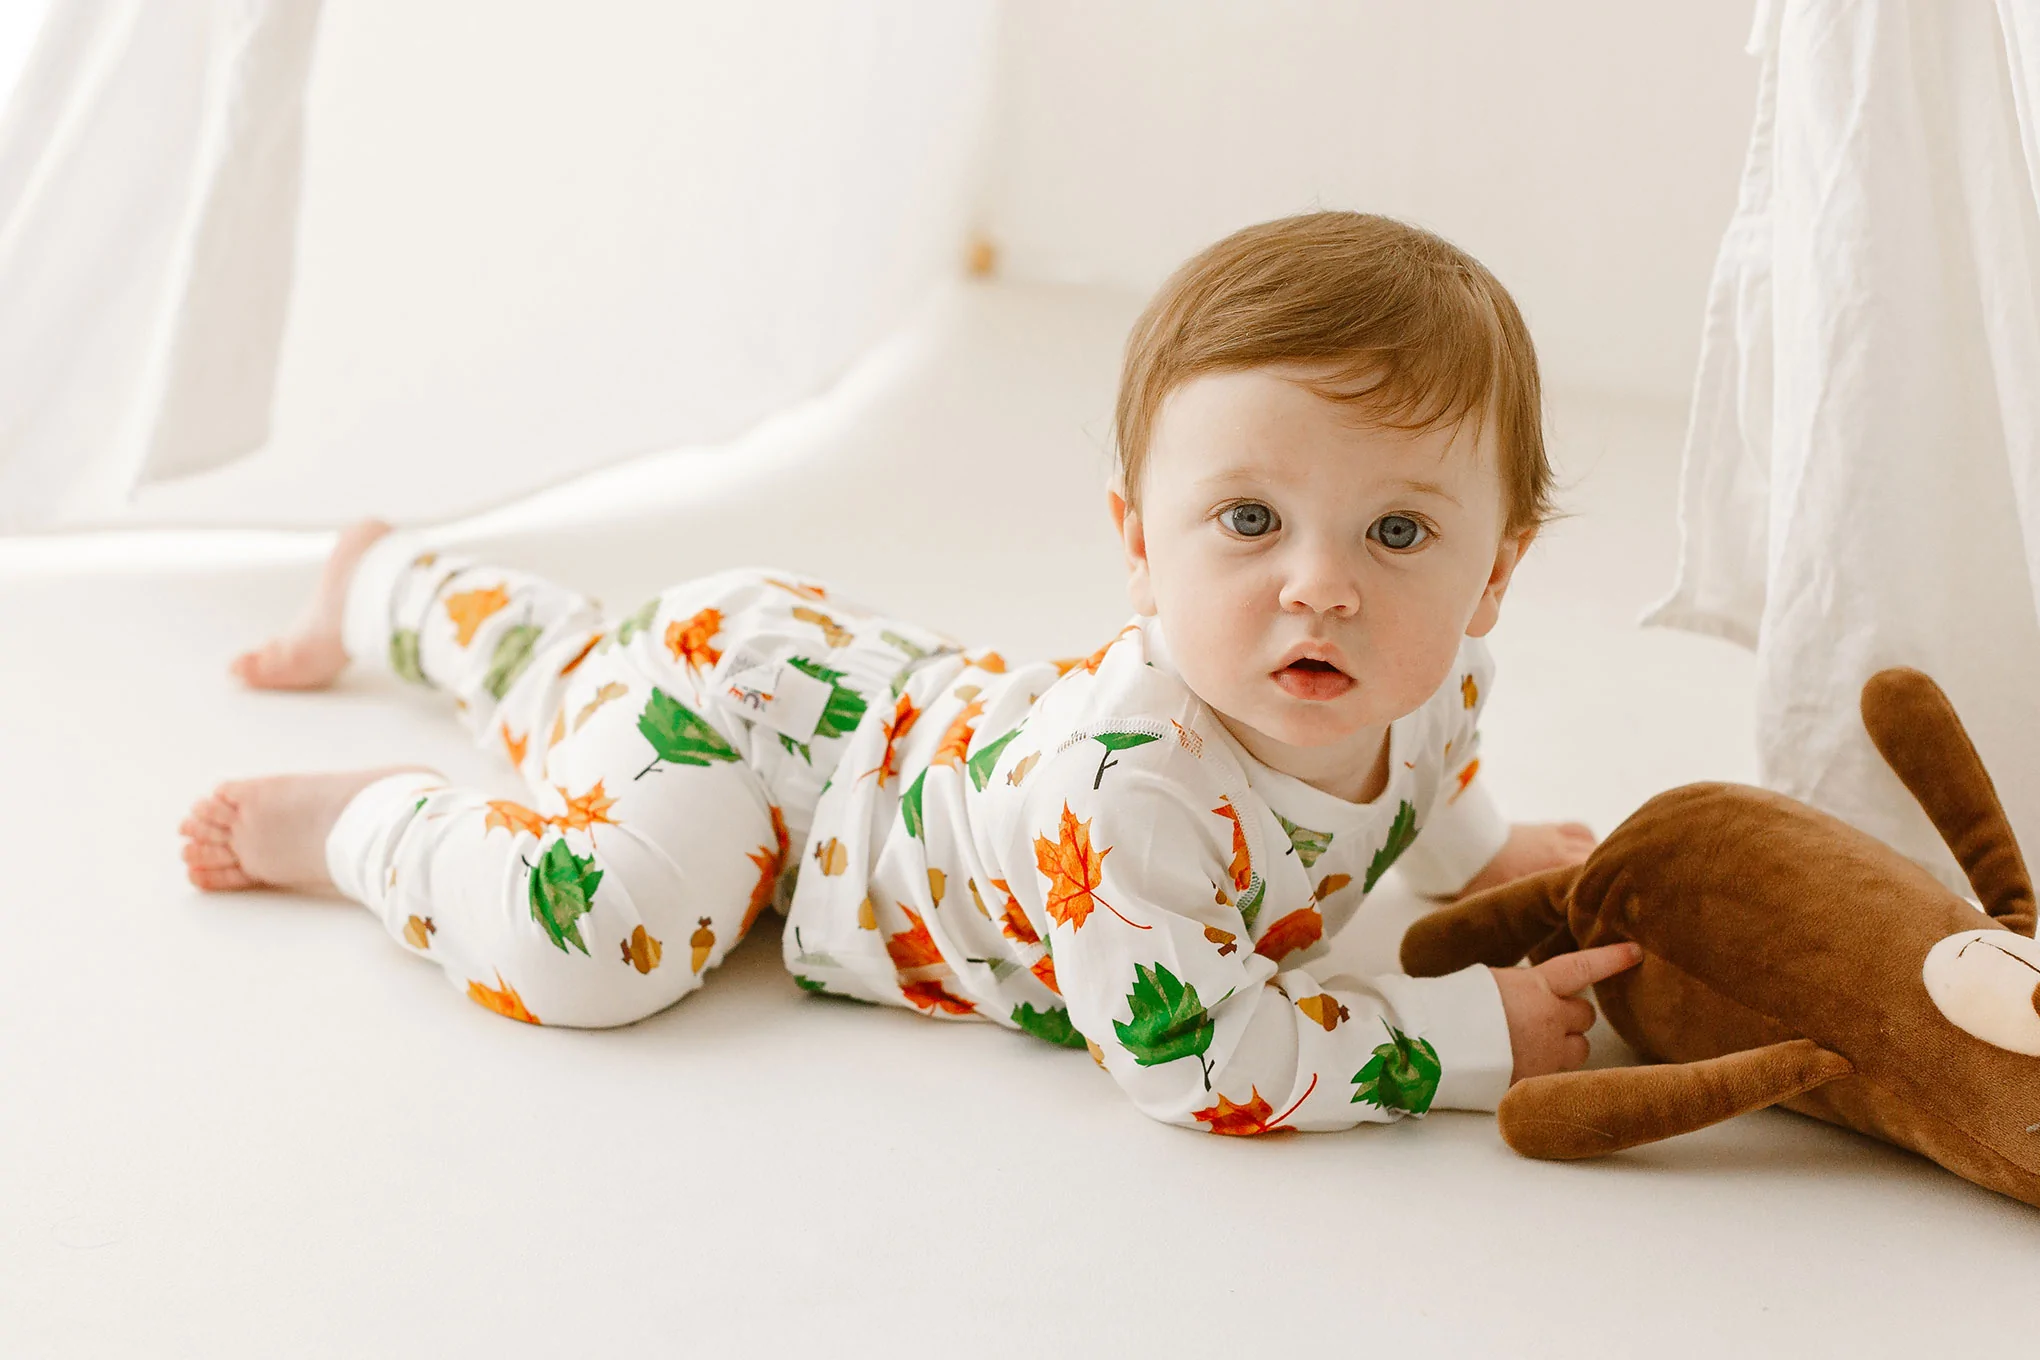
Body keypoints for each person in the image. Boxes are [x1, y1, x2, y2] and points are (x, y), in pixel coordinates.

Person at [178, 210, 1640, 1134]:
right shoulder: (1135, 788)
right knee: (598, 943)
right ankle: (372, 822)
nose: (1321, 584)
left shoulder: (1438, 678)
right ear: (1140, 547)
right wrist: (1466, 1038)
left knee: (578, 674)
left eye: (1398, 532)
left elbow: (1436, 767)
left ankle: (387, 581)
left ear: (1492, 577)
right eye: (1249, 521)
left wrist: (1478, 852)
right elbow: (1198, 1059)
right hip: (766, 760)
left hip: (863, 701)